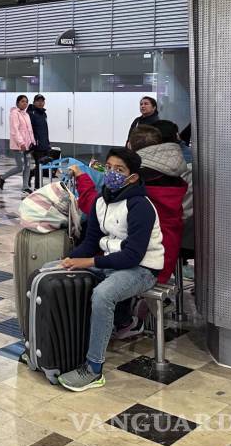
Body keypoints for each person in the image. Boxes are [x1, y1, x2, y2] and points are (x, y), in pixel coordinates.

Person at [55, 147, 164, 392]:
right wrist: (66, 261)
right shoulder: (101, 201)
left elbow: (132, 256)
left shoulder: (140, 206)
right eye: (109, 167)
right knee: (55, 274)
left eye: (119, 170)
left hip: (142, 269)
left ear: (132, 177)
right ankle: (52, 348)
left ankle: (93, 369)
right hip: (111, 263)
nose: (111, 173)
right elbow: (90, 242)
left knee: (103, 295)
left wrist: (89, 262)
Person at [0, 95, 36, 193]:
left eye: (26, 102)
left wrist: (32, 142)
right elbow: (14, 130)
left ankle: (25, 187)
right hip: (18, 146)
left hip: (27, 146)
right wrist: (21, 143)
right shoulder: (14, 114)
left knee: (27, 166)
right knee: (20, 167)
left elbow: (29, 131)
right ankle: (2, 177)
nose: (25, 103)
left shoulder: (26, 115)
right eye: (22, 101)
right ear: (17, 103)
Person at [27, 94, 50, 188]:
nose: (40, 103)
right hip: (36, 145)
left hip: (44, 144)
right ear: (34, 102)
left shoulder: (43, 114)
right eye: (38, 101)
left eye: (42, 101)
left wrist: (47, 143)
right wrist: (32, 143)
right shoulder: (31, 114)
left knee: (43, 166)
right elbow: (28, 130)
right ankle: (37, 187)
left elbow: (45, 130)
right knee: (39, 165)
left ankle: (30, 174)